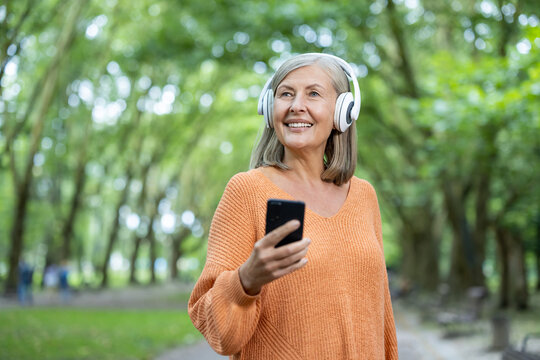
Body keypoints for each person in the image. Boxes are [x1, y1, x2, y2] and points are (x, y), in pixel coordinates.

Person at [188, 53, 399, 359]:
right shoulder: (246, 190)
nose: (296, 105)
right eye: (286, 93)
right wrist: (246, 281)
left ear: (344, 111)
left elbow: (383, 318)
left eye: (313, 93)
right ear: (270, 108)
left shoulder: (364, 196)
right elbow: (220, 335)